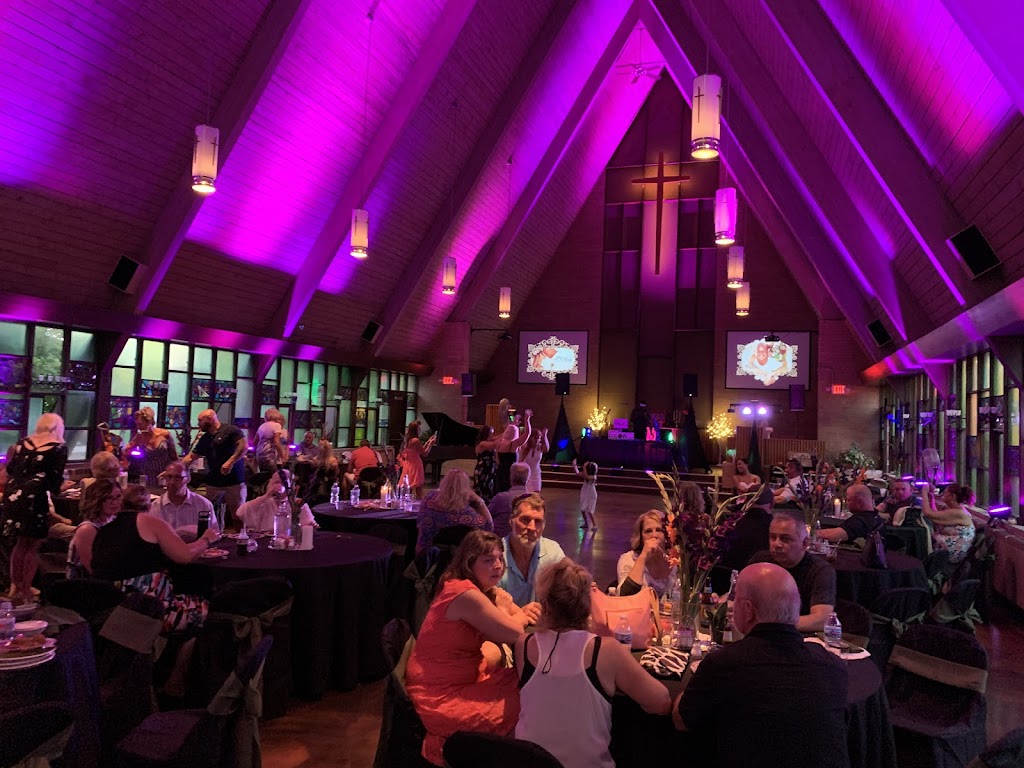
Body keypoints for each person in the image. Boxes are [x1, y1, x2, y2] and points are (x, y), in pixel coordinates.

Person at [673, 563, 849, 768]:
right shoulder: (834, 666)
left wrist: (680, 697)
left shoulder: (726, 663)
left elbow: (682, 720)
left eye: (734, 601)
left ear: (747, 610)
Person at [515, 559, 671, 768]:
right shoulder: (606, 650)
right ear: (587, 603)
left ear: (546, 603)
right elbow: (661, 702)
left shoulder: (523, 644)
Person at [405, 530, 530, 765]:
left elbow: (511, 617)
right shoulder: (465, 595)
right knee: (521, 703)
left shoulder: (469, 587)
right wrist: (511, 612)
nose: (498, 566)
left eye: (500, 559)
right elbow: (514, 633)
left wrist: (515, 612)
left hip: (451, 677)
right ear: (469, 563)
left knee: (514, 682)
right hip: (439, 694)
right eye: (488, 560)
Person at [92, 483, 220, 631]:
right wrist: (206, 539)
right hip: (150, 609)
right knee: (207, 608)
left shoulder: (103, 531)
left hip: (112, 609)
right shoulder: (150, 522)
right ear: (149, 504)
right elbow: (184, 556)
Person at [2, 414, 68, 603]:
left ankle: (15, 586)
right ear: (57, 427)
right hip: (35, 498)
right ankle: (26, 590)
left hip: (14, 496)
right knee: (33, 545)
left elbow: (11, 469)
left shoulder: (23, 443)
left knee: (20, 542)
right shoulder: (58, 447)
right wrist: (61, 487)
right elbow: (55, 481)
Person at [748, 509, 836, 632]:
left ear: (804, 543)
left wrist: (771, 625)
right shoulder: (761, 560)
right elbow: (737, 596)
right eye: (773, 537)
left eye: (785, 539)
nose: (777, 544)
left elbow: (822, 619)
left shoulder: (820, 571)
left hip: (798, 637)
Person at [498, 492, 564, 612]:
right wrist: (519, 614)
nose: (532, 528)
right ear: (511, 521)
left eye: (538, 521)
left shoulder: (553, 552)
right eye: (525, 520)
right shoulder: (495, 556)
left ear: (544, 526)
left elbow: (566, 595)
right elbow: (488, 607)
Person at [182, 409, 248, 524]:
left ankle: (240, 537)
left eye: (200, 420)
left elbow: (243, 446)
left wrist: (230, 462)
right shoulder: (205, 438)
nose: (198, 424)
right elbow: (192, 456)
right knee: (207, 512)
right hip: (213, 482)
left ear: (210, 418)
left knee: (237, 515)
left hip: (233, 481)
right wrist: (176, 467)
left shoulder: (230, 430)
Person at [416, 469, 492, 554]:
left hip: (426, 555)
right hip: (457, 558)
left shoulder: (428, 500)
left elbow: (419, 522)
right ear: (466, 489)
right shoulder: (466, 513)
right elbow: (489, 526)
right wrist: (479, 500)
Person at [67, 478, 122, 579]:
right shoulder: (87, 529)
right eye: (109, 498)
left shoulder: (114, 521)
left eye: (118, 497)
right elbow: (93, 569)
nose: (115, 502)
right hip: (85, 585)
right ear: (97, 500)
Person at [149, 461, 217, 539]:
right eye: (169, 477)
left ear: (188, 479)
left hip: (196, 548)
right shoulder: (155, 506)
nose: (172, 482)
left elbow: (213, 534)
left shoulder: (203, 504)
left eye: (178, 477)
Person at [716, 485, 773, 576]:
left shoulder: (729, 525)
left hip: (725, 580)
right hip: (761, 579)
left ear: (746, 501)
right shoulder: (774, 530)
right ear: (771, 505)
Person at [235, 469, 316, 532]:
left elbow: (308, 525)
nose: (279, 485)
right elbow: (240, 513)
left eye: (283, 482)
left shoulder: (298, 504)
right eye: (276, 482)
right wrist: (266, 496)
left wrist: (311, 525)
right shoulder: (264, 502)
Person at [617, 511, 676, 597]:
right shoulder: (628, 559)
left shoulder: (676, 562)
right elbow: (625, 595)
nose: (654, 535)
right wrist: (643, 556)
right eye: (648, 531)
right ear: (641, 536)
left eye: (659, 530)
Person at [922, 483, 976, 564]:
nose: (943, 494)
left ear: (953, 496)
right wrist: (932, 499)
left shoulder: (958, 512)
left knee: (921, 541)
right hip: (947, 546)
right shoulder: (956, 510)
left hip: (952, 552)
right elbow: (936, 515)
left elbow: (928, 514)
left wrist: (924, 493)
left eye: (946, 493)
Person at [123, 407, 177, 485]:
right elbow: (126, 452)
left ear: (149, 422)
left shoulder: (165, 434)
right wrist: (134, 443)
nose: (138, 427)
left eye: (140, 424)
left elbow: (174, 456)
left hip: (165, 475)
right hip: (147, 477)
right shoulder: (139, 437)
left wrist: (173, 472)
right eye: (137, 424)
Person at [487, 463, 530, 539]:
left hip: (499, 541)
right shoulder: (533, 500)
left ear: (510, 477)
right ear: (528, 478)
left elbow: (486, 518)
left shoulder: (500, 498)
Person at [494, 407, 532, 493]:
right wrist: (527, 419)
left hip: (500, 471)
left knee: (500, 493)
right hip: (511, 473)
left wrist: (513, 423)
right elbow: (528, 433)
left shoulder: (500, 442)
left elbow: (507, 431)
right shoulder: (513, 444)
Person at [398, 421, 436, 500]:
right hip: (415, 465)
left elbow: (419, 450)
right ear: (416, 429)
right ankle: (418, 506)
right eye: (419, 428)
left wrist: (428, 442)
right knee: (418, 490)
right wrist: (431, 444)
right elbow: (424, 453)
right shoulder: (416, 440)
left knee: (409, 488)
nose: (420, 429)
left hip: (408, 465)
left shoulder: (408, 440)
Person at [472, 425, 500, 504]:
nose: (493, 435)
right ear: (486, 434)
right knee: (484, 489)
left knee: (491, 488)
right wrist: (508, 434)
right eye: (491, 433)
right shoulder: (482, 444)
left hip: (490, 468)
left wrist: (511, 427)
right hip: (483, 469)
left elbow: (499, 437)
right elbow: (495, 444)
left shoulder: (488, 441)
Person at [518, 427, 549, 493]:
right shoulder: (525, 447)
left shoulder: (540, 447)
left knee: (536, 494)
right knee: (527, 494)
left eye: (539, 438)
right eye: (535, 438)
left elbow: (547, 448)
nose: (537, 440)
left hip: (536, 474)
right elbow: (520, 461)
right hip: (526, 474)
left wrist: (545, 435)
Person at [309, 439, 341, 505]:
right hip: (330, 485)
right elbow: (337, 473)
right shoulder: (333, 461)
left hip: (316, 486)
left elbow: (312, 473)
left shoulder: (315, 461)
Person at [572, 459, 598, 530]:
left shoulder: (593, 477)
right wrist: (574, 465)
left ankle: (595, 525)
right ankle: (586, 523)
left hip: (591, 494)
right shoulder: (585, 475)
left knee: (590, 510)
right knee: (582, 509)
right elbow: (577, 473)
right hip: (585, 492)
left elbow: (586, 476)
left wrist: (584, 467)